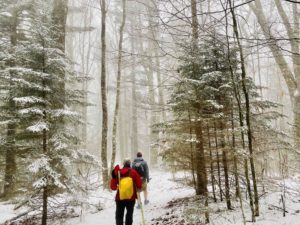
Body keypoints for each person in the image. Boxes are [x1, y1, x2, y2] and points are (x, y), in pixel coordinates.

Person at [110, 158, 142, 225]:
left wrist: (114, 178)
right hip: (131, 197)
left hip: (120, 198)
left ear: (123, 164)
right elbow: (139, 185)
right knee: (129, 215)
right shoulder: (134, 172)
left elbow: (113, 187)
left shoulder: (118, 172)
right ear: (129, 164)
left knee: (119, 215)